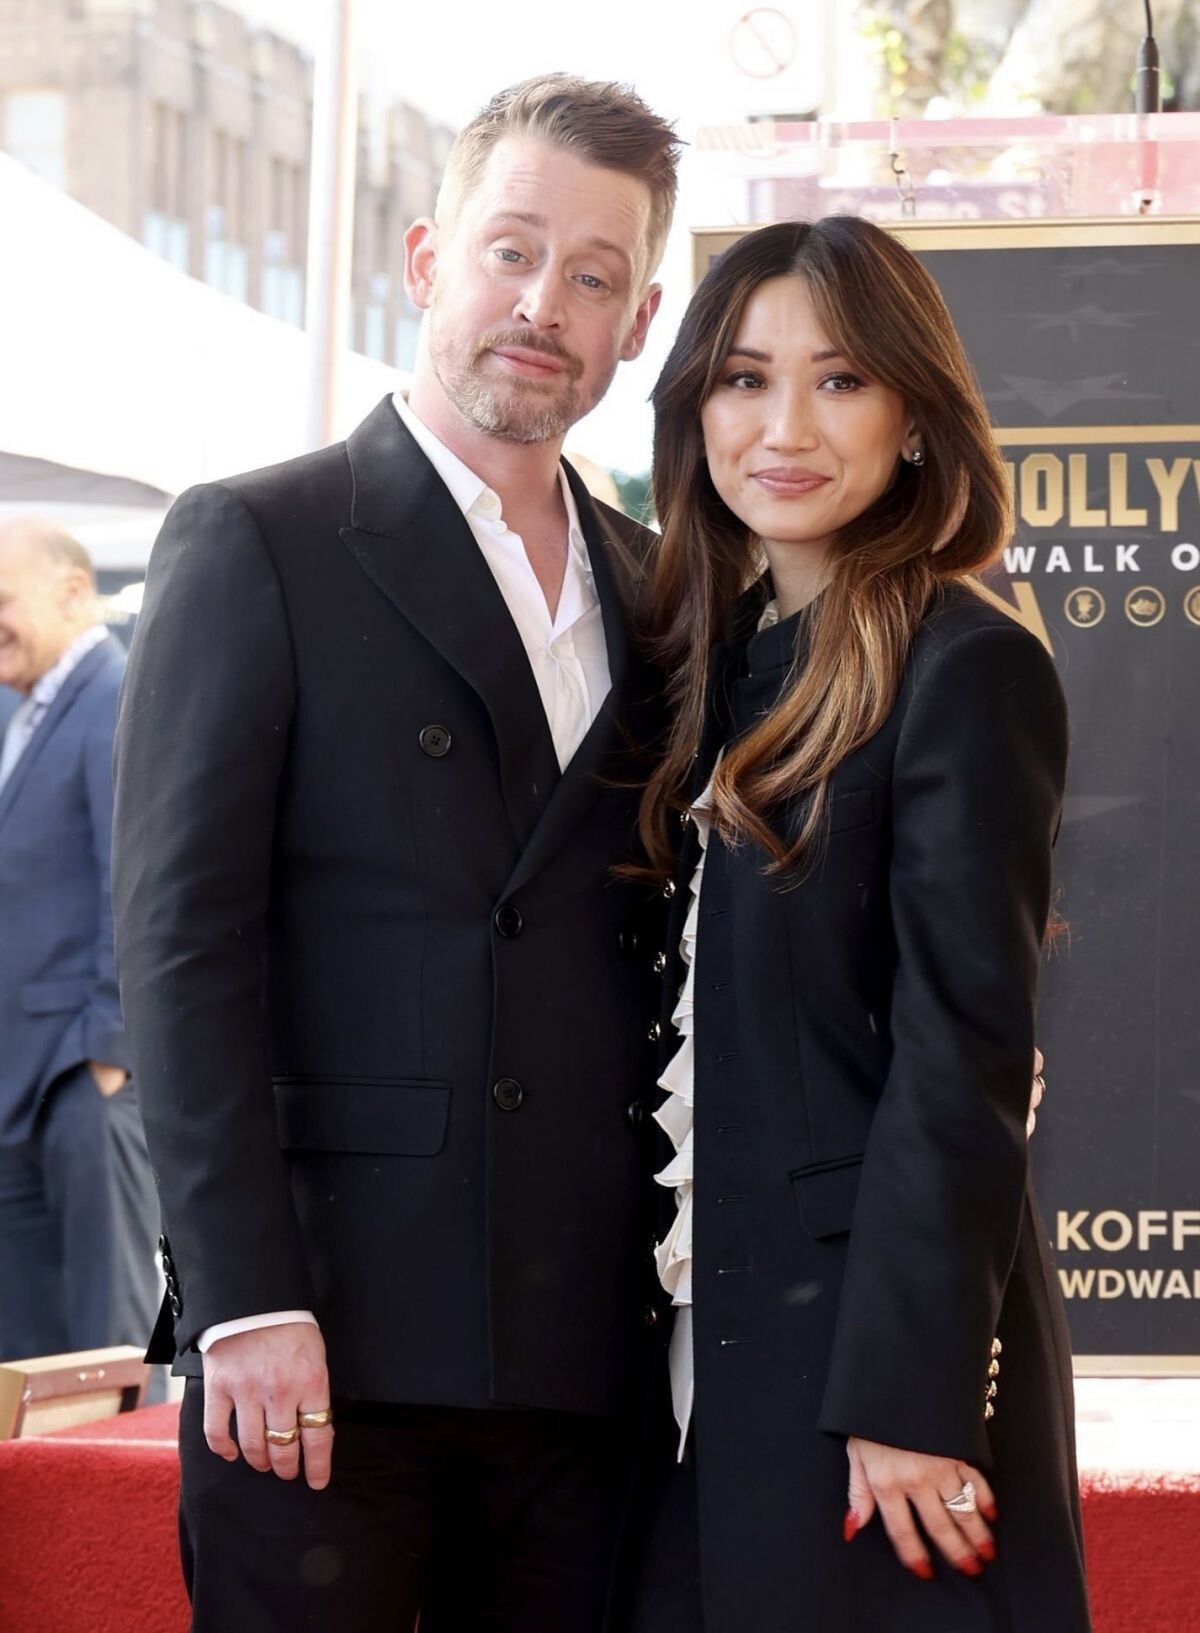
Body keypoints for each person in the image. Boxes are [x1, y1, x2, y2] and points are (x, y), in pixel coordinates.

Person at [112, 75, 679, 1633]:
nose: (544, 305)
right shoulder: (260, 538)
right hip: (322, 1345)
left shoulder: (666, 590)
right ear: (428, 260)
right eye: (512, 251)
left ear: (638, 324)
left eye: (595, 276)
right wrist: (242, 1298)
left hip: (590, 1351)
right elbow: (179, 942)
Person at [618, 217, 1091, 1633]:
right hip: (688, 1359)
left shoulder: (967, 665)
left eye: (839, 380)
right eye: (744, 378)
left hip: (867, 1371)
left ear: (915, 416)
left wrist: (910, 1396)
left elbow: (964, 1062)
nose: (784, 428)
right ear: (694, 408)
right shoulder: (701, 669)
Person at [0, 517, 158, 1363]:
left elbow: (131, 884)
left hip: (81, 1077)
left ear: (71, 593)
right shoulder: (27, 707)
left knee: (105, 1337)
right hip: (25, 1079)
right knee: (31, 1346)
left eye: (2, 600)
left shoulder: (112, 696)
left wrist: (107, 1055)